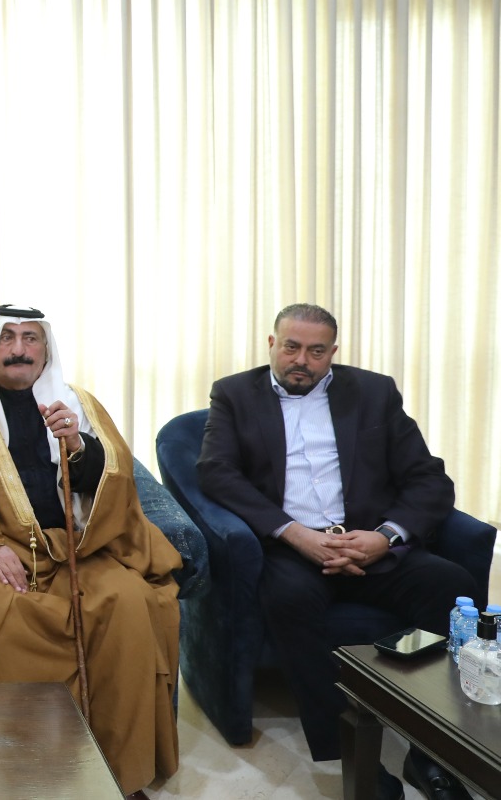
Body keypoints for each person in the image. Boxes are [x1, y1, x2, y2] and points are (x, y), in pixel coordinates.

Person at [198, 303, 475, 800]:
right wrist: (294, 534)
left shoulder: (374, 392)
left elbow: (429, 478)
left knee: (451, 585)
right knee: (287, 601)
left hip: (370, 542)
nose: (301, 360)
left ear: (333, 352)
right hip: (292, 547)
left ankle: (429, 751)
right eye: (291, 347)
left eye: (316, 351)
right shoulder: (235, 394)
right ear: (272, 344)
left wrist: (385, 536)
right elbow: (216, 473)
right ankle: (355, 762)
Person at [0, 306, 181, 797]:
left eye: (31, 339)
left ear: (46, 349)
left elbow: (117, 478)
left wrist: (78, 445)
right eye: (7, 337)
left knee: (130, 602)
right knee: (4, 617)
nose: (19, 349)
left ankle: (118, 770)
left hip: (76, 547)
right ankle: (21, 774)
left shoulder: (78, 404)